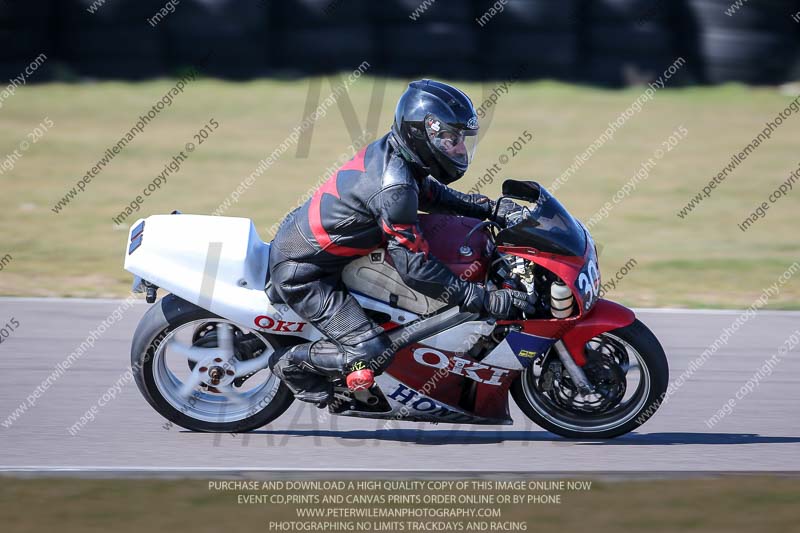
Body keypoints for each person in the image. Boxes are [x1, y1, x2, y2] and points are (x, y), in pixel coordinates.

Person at [267, 79, 532, 406]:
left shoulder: (397, 156)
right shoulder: (394, 186)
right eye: (450, 139)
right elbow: (415, 268)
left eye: (461, 140)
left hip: (325, 249)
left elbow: (431, 193)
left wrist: (488, 208)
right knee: (370, 350)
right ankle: (290, 363)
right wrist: (483, 299)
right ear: (422, 134)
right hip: (305, 274)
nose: (459, 149)